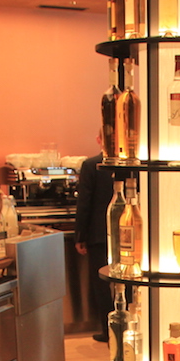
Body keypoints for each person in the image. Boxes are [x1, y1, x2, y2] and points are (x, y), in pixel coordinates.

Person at [74, 146, 114, 342]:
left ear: (100, 139)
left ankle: (108, 331)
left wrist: (80, 236)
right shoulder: (133, 164)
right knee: (129, 284)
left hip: (98, 233)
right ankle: (129, 328)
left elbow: (84, 202)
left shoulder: (91, 165)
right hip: (128, 232)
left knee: (102, 284)